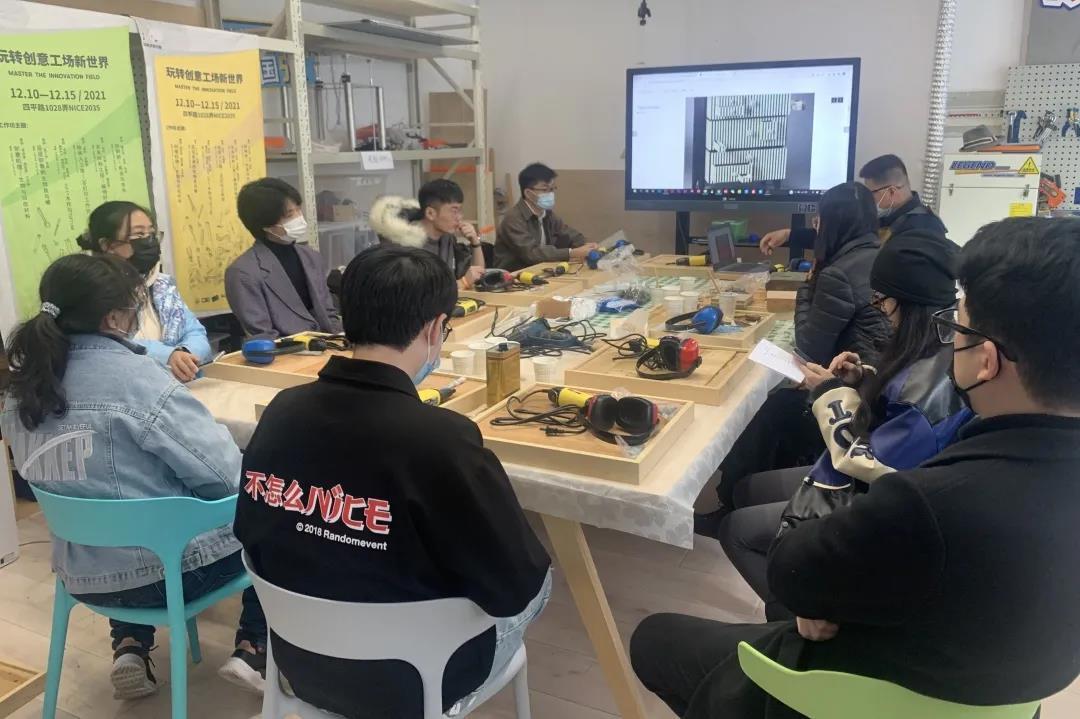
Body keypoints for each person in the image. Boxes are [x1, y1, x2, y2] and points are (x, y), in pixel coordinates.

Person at [632, 216, 1080, 719]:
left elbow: (792, 569)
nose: (949, 339)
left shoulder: (928, 504)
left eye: (957, 327)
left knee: (653, 638)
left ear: (987, 361)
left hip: (863, 686)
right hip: (983, 688)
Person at [234, 244, 552, 719]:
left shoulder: (282, 411)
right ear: (434, 329)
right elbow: (516, 586)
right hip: (417, 682)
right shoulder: (440, 438)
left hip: (301, 665)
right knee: (541, 582)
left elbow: (249, 533)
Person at [0, 254, 267, 701]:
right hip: (167, 578)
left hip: (81, 574)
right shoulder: (140, 380)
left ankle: (129, 644)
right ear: (113, 318)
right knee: (272, 517)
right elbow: (224, 478)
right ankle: (253, 647)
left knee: (116, 508)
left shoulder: (21, 388)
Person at [718, 231, 966, 620]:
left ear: (905, 302)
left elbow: (861, 457)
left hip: (879, 501)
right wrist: (862, 380)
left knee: (736, 530)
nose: (880, 310)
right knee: (747, 488)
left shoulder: (926, 395)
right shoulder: (942, 343)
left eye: (882, 300)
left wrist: (828, 392)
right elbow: (897, 401)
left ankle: (797, 617)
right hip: (886, 481)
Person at [697, 182, 890, 535]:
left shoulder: (837, 273)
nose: (816, 226)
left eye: (819, 220)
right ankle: (752, 490)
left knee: (765, 408)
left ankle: (731, 503)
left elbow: (810, 344)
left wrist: (807, 284)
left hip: (854, 394)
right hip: (871, 379)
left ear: (831, 224)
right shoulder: (878, 255)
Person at [77, 201, 211, 383]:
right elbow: (107, 344)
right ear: (107, 244)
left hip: (181, 384)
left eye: (151, 234)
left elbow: (195, 331)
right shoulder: (91, 290)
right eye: (139, 234)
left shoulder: (161, 284)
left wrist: (185, 353)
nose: (149, 241)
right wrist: (168, 355)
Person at [758, 154, 948, 255]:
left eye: (870, 193)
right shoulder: (886, 219)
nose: (866, 199)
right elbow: (841, 239)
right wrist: (789, 235)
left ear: (891, 191)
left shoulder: (925, 229)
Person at [225, 177, 341, 339]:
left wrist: (341, 340)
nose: (299, 218)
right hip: (289, 351)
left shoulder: (311, 257)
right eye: (289, 215)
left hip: (331, 344)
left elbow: (329, 314)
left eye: (298, 210)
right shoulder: (243, 273)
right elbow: (262, 334)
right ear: (266, 224)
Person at [369, 178, 485, 290]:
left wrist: (475, 242)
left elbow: (477, 275)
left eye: (460, 211)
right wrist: (462, 283)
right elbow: (415, 292)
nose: (459, 217)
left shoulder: (447, 238)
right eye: (454, 211)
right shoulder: (403, 245)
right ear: (430, 213)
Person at [493, 162, 597, 271]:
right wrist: (571, 253)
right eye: (544, 190)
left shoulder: (546, 214)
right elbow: (532, 254)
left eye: (552, 189)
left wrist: (587, 245)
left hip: (539, 271)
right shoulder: (513, 219)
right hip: (513, 276)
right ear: (528, 193)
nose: (550, 194)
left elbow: (568, 234)